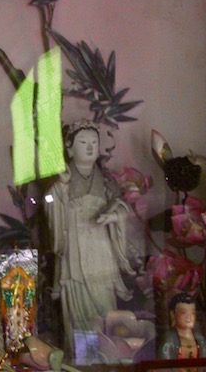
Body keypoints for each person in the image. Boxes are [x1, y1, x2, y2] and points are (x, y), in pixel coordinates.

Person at [44, 119, 135, 356]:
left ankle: (107, 356)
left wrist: (114, 216)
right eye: (83, 142)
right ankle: (84, 358)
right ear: (69, 149)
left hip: (101, 249)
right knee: (78, 307)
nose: (90, 147)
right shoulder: (62, 179)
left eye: (94, 142)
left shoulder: (106, 181)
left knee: (104, 304)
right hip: (74, 247)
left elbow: (121, 205)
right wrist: (61, 187)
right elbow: (51, 205)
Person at [159, 293, 206, 359]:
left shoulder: (200, 339)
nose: (189, 317)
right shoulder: (170, 339)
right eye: (183, 312)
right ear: (173, 314)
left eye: (192, 312)